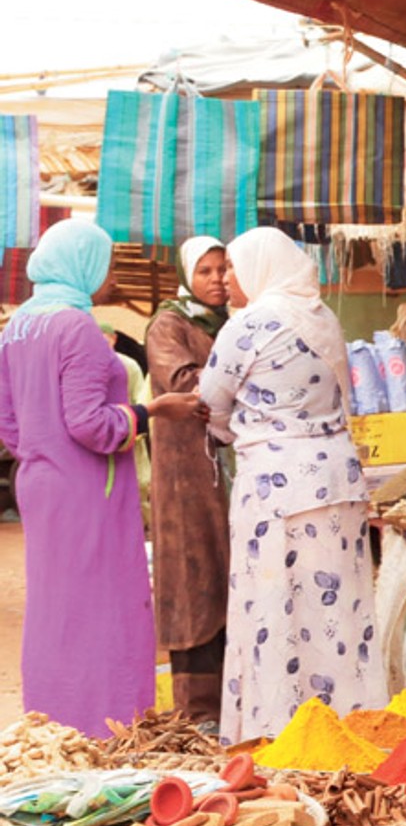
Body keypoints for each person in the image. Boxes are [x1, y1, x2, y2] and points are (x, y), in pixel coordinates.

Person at [0, 220, 203, 735]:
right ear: (80, 264)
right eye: (105, 261)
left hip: (41, 484)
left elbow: (8, 420)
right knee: (103, 609)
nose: (110, 273)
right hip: (87, 488)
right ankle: (106, 725)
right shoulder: (76, 328)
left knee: (57, 608)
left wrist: (42, 457)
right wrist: (149, 411)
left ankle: (54, 721)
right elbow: (92, 425)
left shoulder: (18, 327)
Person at [202, 226, 387, 742]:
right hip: (337, 481)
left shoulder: (250, 325)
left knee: (275, 608)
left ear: (260, 269)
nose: (229, 279)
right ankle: (347, 728)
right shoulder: (322, 319)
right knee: (339, 611)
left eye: (235, 267)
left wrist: (231, 429)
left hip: (277, 490)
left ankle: (277, 732)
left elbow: (210, 404)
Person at [146, 237, 233, 727]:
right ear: (187, 275)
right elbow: (184, 383)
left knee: (227, 578)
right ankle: (197, 711)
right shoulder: (169, 323)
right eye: (205, 271)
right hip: (186, 474)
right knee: (195, 579)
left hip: (226, 468)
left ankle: (230, 703)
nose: (217, 280)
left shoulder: (231, 321)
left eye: (223, 269)